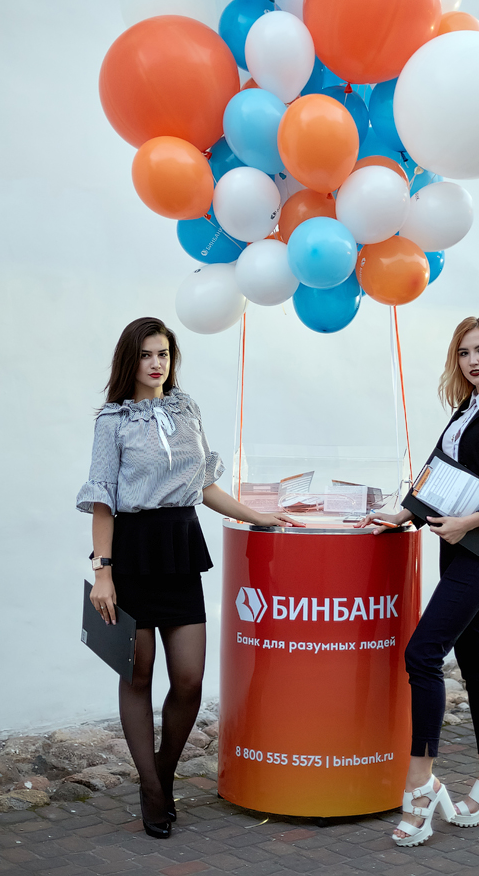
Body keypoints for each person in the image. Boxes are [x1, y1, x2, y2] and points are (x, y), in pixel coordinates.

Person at [77, 317, 299, 839]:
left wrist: (256, 516)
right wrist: (103, 573)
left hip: (180, 548)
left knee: (189, 679)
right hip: (132, 552)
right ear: (130, 360)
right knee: (138, 674)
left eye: (164, 354)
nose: (157, 364)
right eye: (147, 355)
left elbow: (203, 485)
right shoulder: (112, 421)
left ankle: (163, 771)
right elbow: (103, 499)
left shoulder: (186, 409)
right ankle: (152, 790)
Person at [359, 316, 479, 847]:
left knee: (422, 654)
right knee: (476, 659)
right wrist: (404, 513)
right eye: (463, 353)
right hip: (454, 546)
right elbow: (439, 476)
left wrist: (467, 522)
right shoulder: (465, 409)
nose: (473, 361)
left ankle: (421, 785)